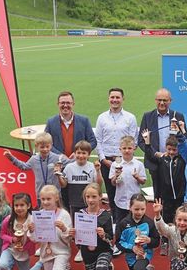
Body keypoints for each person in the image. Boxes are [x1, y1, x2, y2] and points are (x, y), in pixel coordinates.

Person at [45, 91, 97, 212]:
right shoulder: (51, 122)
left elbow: (93, 141)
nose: (65, 106)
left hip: (79, 166)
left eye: (68, 103)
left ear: (73, 103)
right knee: (62, 197)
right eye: (62, 103)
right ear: (58, 104)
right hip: (60, 166)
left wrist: (80, 151)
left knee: (82, 198)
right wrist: (59, 155)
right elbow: (48, 144)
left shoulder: (83, 120)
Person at [95, 88, 138, 222]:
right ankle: (115, 221)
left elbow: (133, 140)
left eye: (117, 97)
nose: (114, 100)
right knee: (111, 191)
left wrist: (125, 159)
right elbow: (98, 140)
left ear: (122, 99)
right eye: (112, 97)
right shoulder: (102, 117)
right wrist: (103, 159)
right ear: (109, 99)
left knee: (125, 190)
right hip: (107, 160)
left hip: (124, 160)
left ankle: (129, 220)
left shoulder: (130, 118)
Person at [142, 130, 186, 256]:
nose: (172, 152)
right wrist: (147, 142)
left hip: (179, 196)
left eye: (174, 149)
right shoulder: (162, 159)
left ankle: (179, 240)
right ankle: (165, 241)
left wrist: (182, 134)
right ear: (165, 148)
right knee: (166, 218)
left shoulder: (182, 159)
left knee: (178, 218)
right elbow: (150, 155)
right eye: (169, 149)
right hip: (166, 196)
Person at [138, 88, 187, 198]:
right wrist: (156, 154)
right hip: (155, 162)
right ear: (155, 100)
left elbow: (184, 139)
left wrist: (173, 154)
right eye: (159, 100)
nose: (162, 103)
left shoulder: (178, 116)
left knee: (175, 194)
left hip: (174, 163)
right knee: (158, 195)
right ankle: (159, 215)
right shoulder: (147, 116)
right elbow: (141, 141)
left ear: (170, 101)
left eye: (165, 100)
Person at [69, 183, 115, 270]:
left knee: (101, 268)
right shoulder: (79, 214)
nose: (90, 200)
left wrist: (104, 234)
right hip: (87, 253)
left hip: (103, 250)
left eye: (94, 196)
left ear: (100, 197)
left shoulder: (106, 215)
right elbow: (78, 242)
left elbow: (111, 238)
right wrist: (73, 235)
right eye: (88, 197)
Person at [28, 185, 77, 270]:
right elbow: (35, 240)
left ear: (56, 198)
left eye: (48, 199)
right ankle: (62, 268)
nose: (45, 202)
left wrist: (64, 228)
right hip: (46, 253)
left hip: (61, 251)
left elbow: (69, 238)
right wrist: (31, 231)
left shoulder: (64, 215)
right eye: (43, 199)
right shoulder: (38, 216)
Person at [115, 193, 160, 270]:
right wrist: (132, 248)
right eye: (136, 209)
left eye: (142, 209)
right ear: (130, 207)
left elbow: (156, 241)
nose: (139, 212)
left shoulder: (149, 223)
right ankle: (143, 269)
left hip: (145, 254)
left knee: (138, 268)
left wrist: (149, 240)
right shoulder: (123, 223)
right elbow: (118, 243)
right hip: (131, 257)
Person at [3, 132, 65, 208]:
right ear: (36, 146)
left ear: (51, 145)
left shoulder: (57, 158)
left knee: (57, 215)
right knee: (43, 217)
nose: (45, 149)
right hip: (41, 195)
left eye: (47, 146)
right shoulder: (34, 159)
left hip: (55, 195)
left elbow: (70, 165)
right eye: (42, 147)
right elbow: (24, 166)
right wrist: (11, 158)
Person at [0, 193, 43, 270]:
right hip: (10, 249)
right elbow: (2, 234)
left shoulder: (33, 221)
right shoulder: (9, 220)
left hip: (23, 251)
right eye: (16, 205)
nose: (19, 208)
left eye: (22, 205)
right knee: (2, 266)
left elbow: (36, 240)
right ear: (13, 207)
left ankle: (40, 264)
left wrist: (32, 232)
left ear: (29, 206)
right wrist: (12, 239)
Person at [109, 135, 147, 224]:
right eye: (124, 148)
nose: (127, 150)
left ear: (134, 148)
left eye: (129, 148)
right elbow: (113, 183)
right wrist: (116, 176)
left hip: (135, 203)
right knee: (120, 224)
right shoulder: (115, 165)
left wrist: (137, 177)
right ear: (120, 149)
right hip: (120, 201)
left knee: (135, 224)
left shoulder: (138, 164)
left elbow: (143, 181)